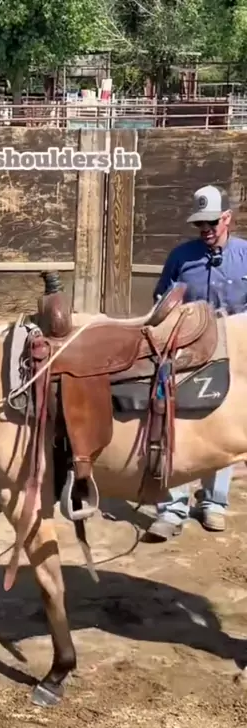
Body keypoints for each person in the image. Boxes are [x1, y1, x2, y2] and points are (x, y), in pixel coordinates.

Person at [146, 184, 247, 542]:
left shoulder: (245, 255)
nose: (205, 229)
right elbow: (162, 300)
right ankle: (172, 508)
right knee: (176, 424)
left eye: (211, 222)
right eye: (199, 224)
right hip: (185, 354)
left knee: (222, 425)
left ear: (227, 218)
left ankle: (213, 502)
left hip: (232, 356)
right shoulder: (181, 256)